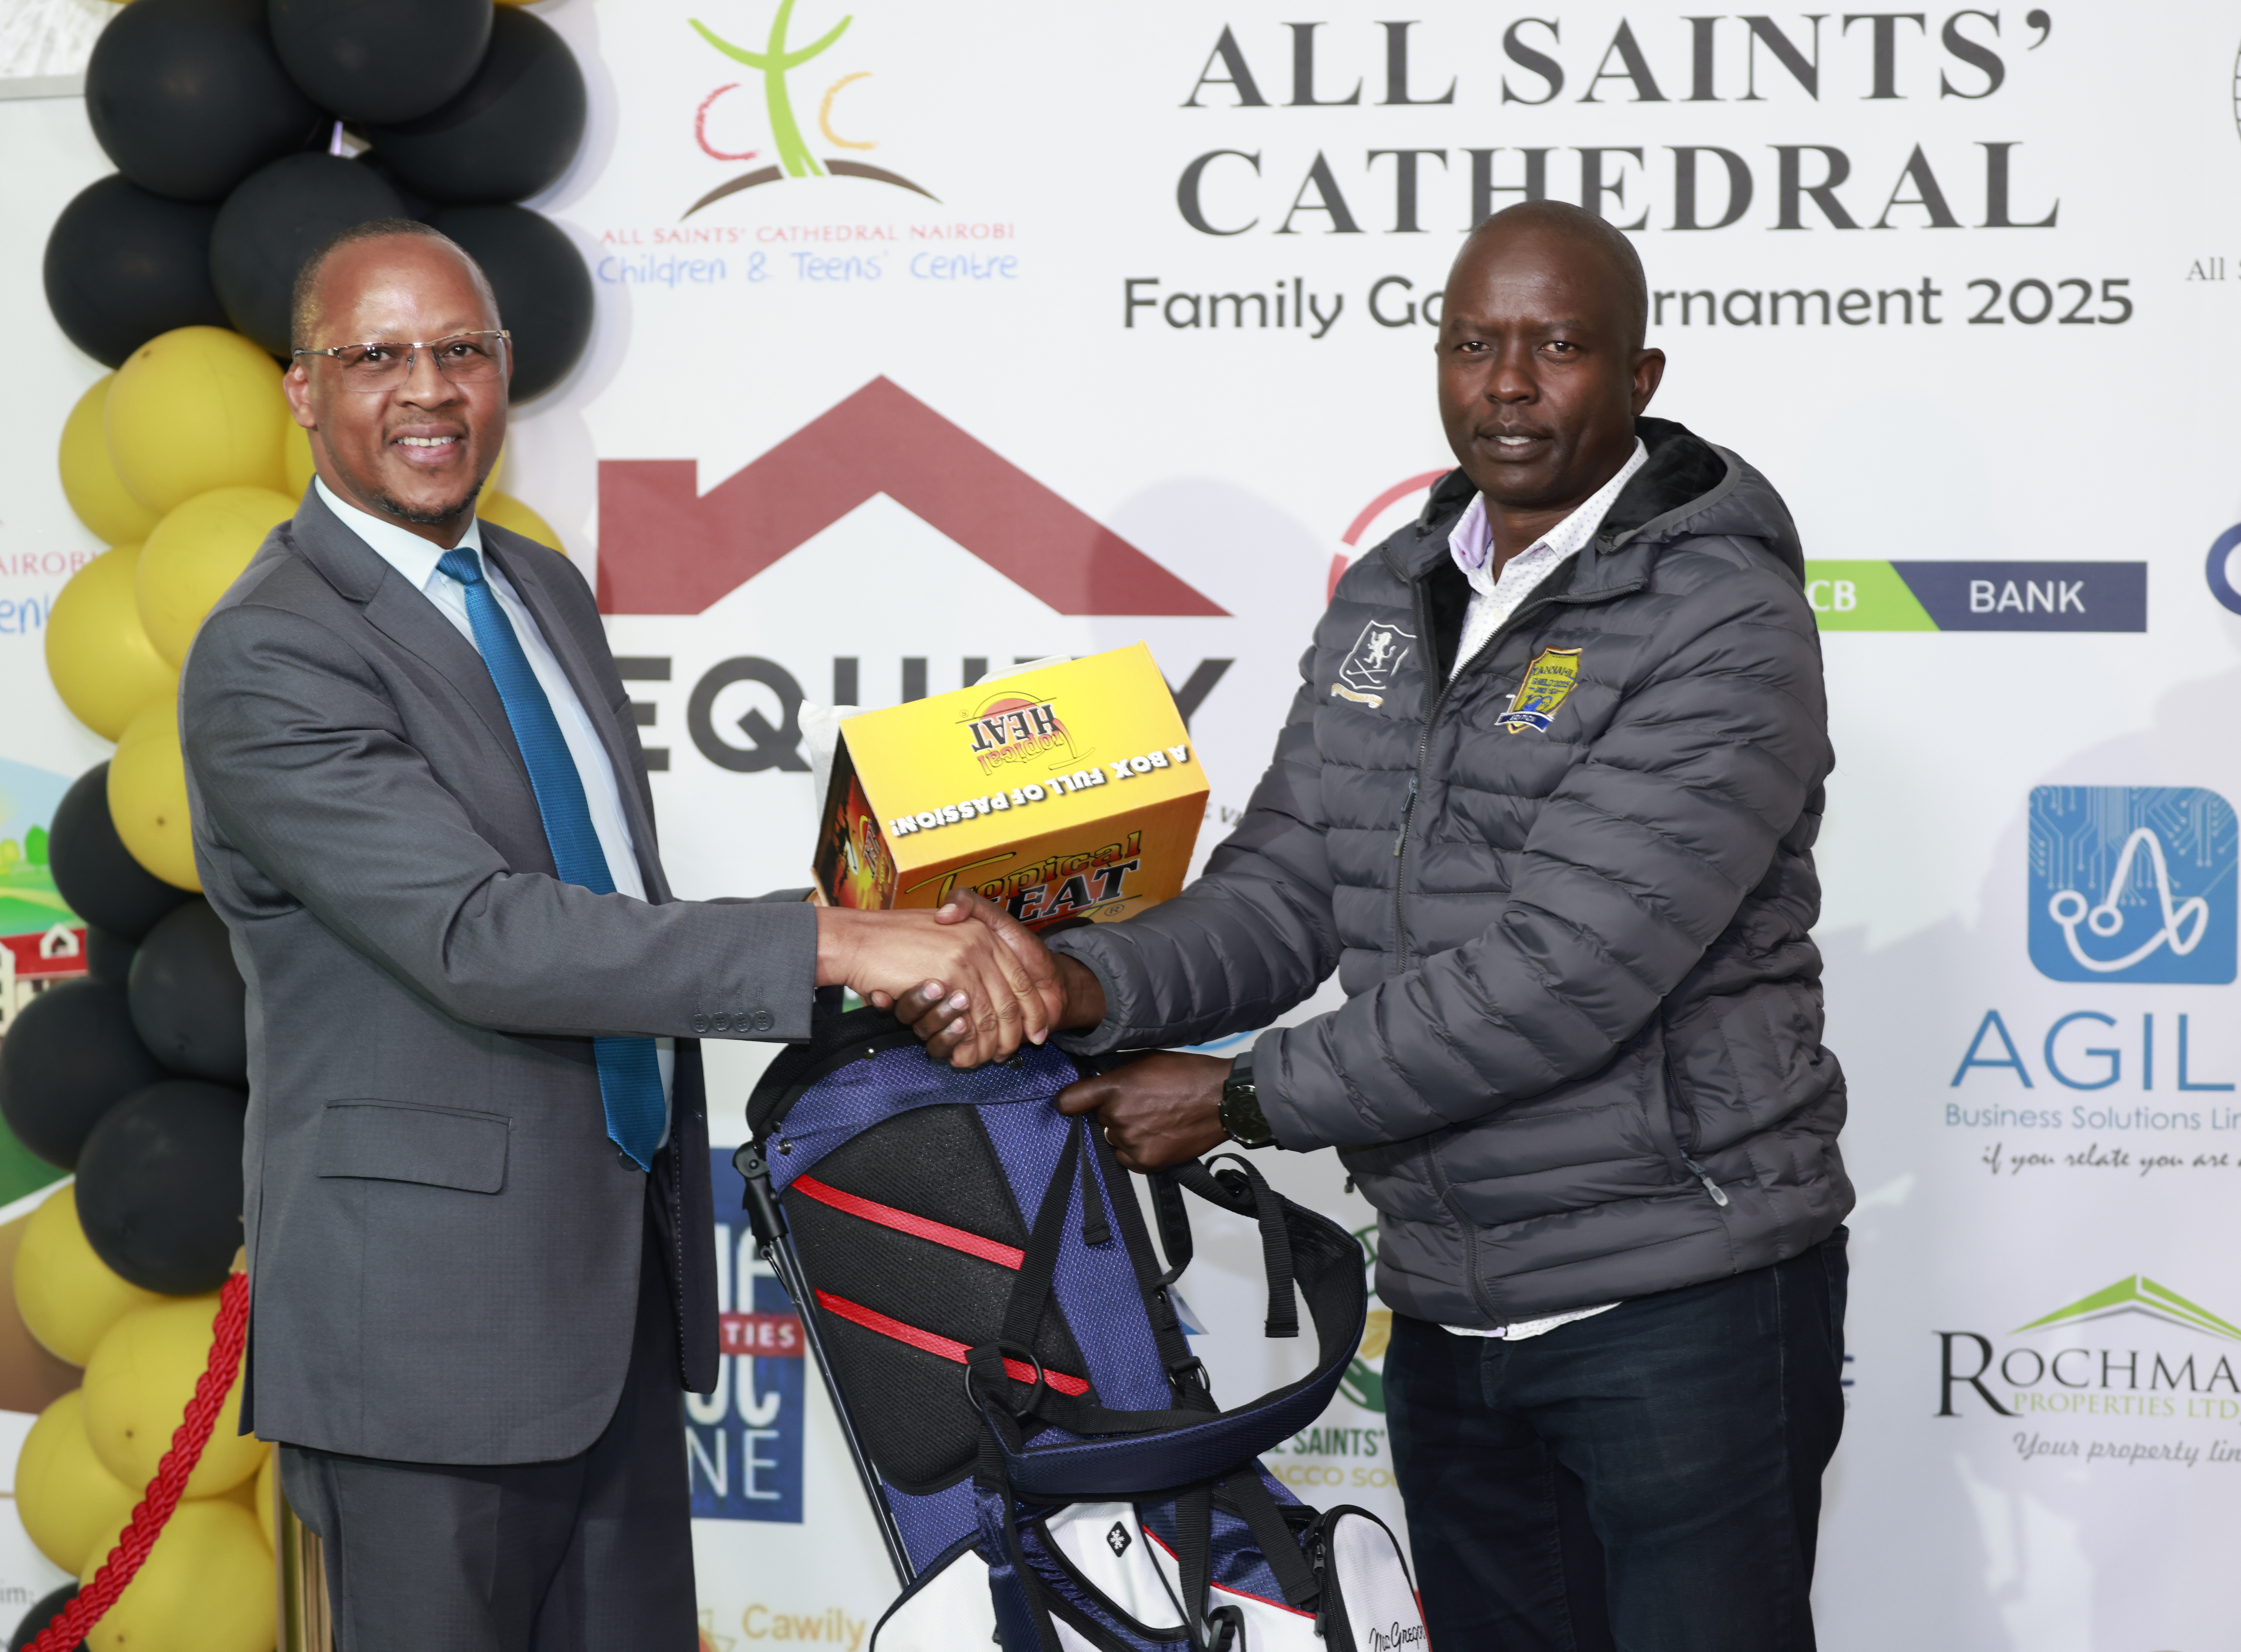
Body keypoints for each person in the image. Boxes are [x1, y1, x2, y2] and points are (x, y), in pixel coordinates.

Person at [893, 200, 1850, 1650]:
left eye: (1557, 347)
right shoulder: (1393, 596)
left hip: (1677, 1298)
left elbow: (1558, 974)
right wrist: (1072, 984)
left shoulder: (1720, 621)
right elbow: (1284, 887)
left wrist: (1241, 1095)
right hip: (1453, 1301)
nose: (1507, 382)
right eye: (1474, 344)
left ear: (1640, 376)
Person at [178, 219, 1057, 1651]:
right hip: (419, 1341)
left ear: (507, 371)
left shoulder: (536, 591)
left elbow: (613, 914)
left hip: (608, 1302)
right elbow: (483, 935)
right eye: (376, 355)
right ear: (299, 388)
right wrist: (839, 945)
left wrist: (908, 928)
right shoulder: (273, 649)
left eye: (461, 350)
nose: (428, 389)